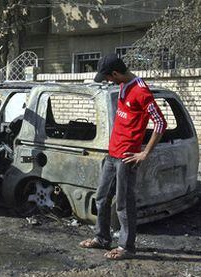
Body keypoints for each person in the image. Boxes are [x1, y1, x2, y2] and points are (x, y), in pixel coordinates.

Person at [79, 54, 167, 260]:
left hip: (126, 158)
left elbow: (160, 123)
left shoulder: (141, 92)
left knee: (124, 204)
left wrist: (144, 153)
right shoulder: (123, 86)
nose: (108, 81)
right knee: (101, 198)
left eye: (109, 77)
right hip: (112, 154)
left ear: (116, 73)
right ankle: (101, 238)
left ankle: (126, 247)